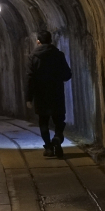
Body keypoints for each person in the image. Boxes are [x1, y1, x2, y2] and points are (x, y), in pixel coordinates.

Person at [25, 29, 72, 158]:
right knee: (59, 120)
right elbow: (68, 74)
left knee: (43, 121)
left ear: (38, 41)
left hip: (41, 94)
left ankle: (49, 148)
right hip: (56, 92)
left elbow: (30, 77)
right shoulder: (58, 54)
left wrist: (29, 98)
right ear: (51, 41)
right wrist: (57, 78)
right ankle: (57, 138)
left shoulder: (32, 57)